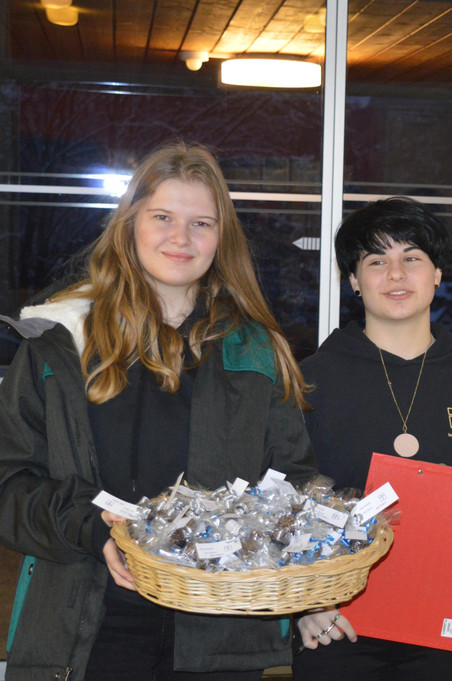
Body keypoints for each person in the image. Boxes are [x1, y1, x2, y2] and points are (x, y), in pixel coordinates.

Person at [0, 140, 318, 681]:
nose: (181, 238)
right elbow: (10, 483)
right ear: (129, 225)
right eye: (163, 217)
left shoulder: (256, 350)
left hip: (219, 636)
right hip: (87, 629)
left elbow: (292, 484)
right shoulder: (60, 342)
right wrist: (91, 528)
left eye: (201, 223)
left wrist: (314, 579)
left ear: (221, 238)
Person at [291, 197, 452, 681]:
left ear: (437, 273)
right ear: (354, 280)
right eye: (376, 261)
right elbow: (284, 498)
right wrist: (306, 601)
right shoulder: (310, 381)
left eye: (411, 258)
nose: (396, 274)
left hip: (442, 615)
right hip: (335, 621)